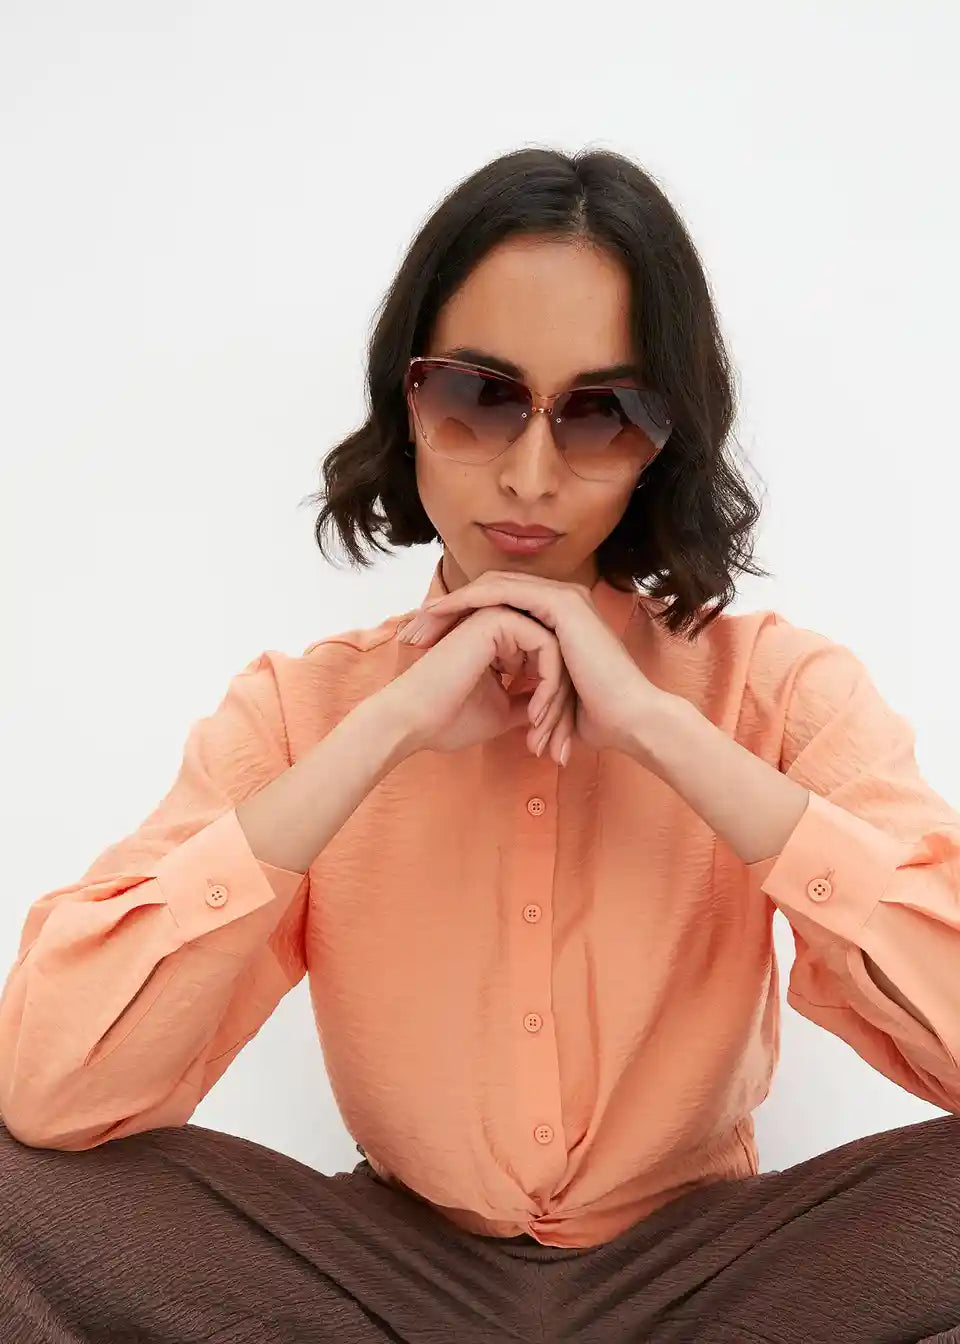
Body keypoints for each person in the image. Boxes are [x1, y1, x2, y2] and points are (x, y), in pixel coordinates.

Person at [0, 146, 958, 1344]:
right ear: (408, 399)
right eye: (480, 396)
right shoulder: (300, 712)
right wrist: (386, 729)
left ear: (662, 439)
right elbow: (46, 1085)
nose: (531, 474)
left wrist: (664, 732)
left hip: (708, 1283)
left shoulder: (776, 691)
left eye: (603, 412)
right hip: (381, 1285)